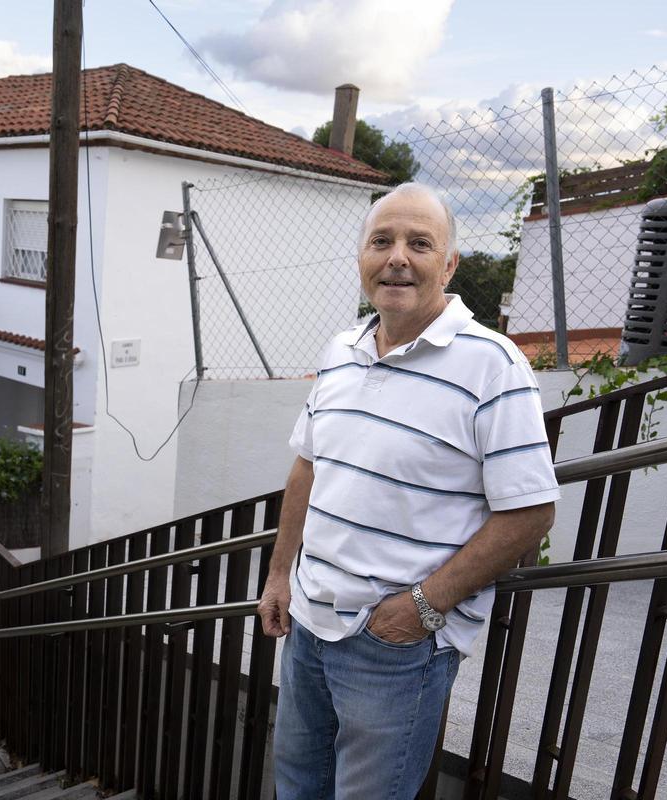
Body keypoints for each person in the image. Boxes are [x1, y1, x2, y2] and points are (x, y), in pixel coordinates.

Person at [257, 182, 559, 799]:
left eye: (420, 244)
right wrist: (280, 576)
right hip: (309, 624)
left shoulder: (493, 365)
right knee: (296, 786)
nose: (397, 257)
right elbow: (307, 469)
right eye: (382, 241)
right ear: (362, 257)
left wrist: (419, 609)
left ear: (448, 265)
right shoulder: (341, 350)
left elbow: (529, 513)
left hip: (393, 646)